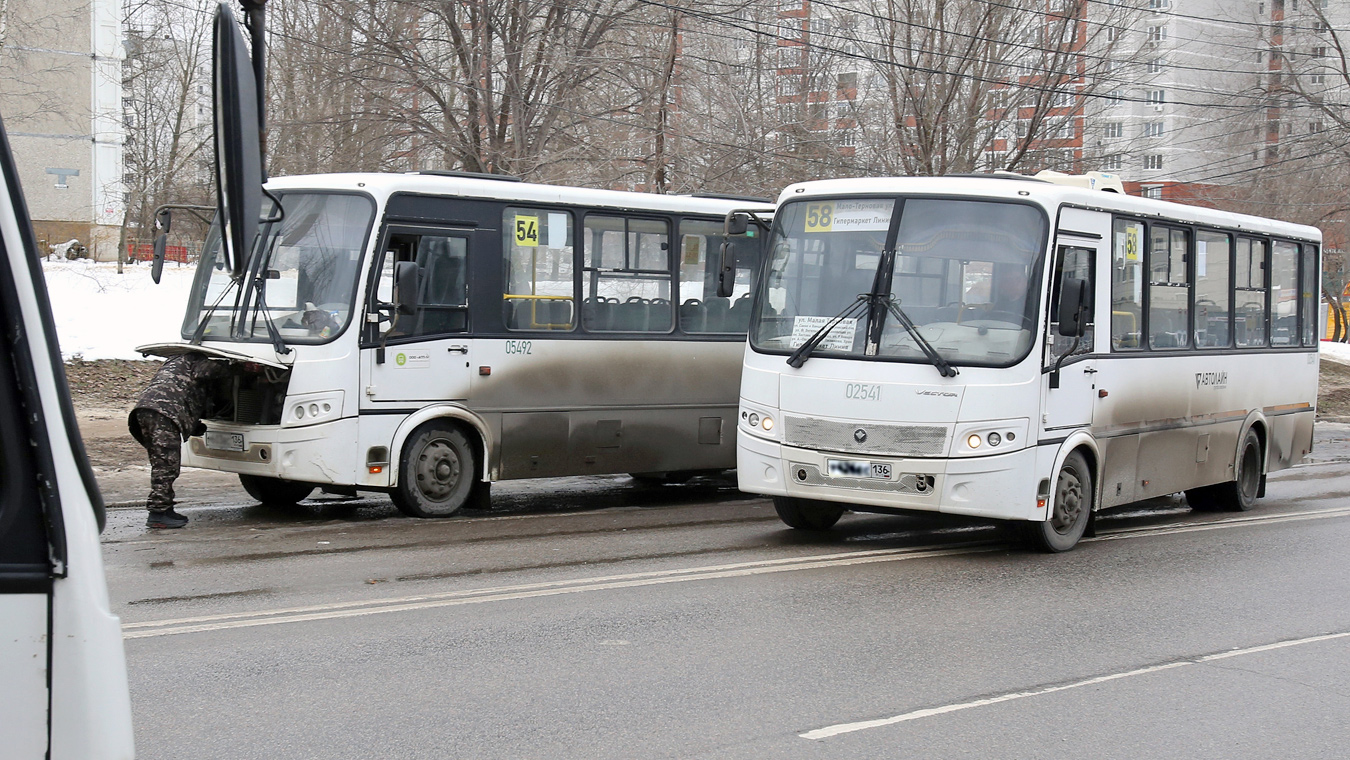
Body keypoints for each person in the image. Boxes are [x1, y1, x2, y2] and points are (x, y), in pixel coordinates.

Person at [128, 352, 232, 528]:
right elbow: (204, 374)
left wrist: (194, 423)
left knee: (161, 462)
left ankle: (164, 508)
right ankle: (158, 513)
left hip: (146, 410)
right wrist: (233, 368)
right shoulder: (199, 360)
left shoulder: (175, 360)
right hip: (163, 412)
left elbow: (187, 391)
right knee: (166, 465)